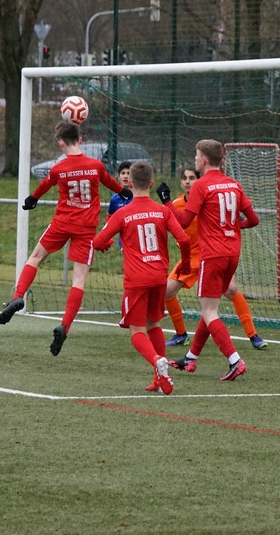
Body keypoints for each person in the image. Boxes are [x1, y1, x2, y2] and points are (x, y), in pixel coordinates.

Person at [0, 121, 131, 357]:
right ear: (80, 140)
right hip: (86, 229)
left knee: (36, 257)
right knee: (78, 280)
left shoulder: (59, 169)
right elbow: (110, 182)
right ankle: (64, 326)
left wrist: (33, 198)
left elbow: (45, 184)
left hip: (61, 223)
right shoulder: (96, 166)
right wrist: (123, 192)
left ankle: (18, 296)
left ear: (60, 143)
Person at [157, 139, 259, 381]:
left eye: (196, 156)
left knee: (210, 310)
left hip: (212, 254)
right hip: (232, 254)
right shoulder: (234, 184)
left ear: (203, 160)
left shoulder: (202, 185)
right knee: (209, 308)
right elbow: (253, 219)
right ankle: (191, 358)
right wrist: (235, 227)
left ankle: (235, 360)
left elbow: (183, 222)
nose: (195, 160)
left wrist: (166, 202)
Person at [93, 161, 191, 394]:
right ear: (151, 184)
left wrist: (106, 243)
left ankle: (157, 361)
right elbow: (184, 239)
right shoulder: (163, 211)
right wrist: (186, 264)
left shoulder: (122, 213)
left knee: (137, 331)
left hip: (137, 280)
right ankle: (159, 379)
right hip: (159, 277)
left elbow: (97, 242)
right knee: (153, 324)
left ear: (129, 183)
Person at [161, 167, 269, 350]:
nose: (187, 181)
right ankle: (181, 335)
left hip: (211, 254)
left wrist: (236, 225)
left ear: (199, 181)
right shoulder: (177, 203)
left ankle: (253, 335)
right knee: (166, 291)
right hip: (190, 257)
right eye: (184, 178)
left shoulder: (208, 199)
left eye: (192, 178)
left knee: (231, 289)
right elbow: (173, 223)